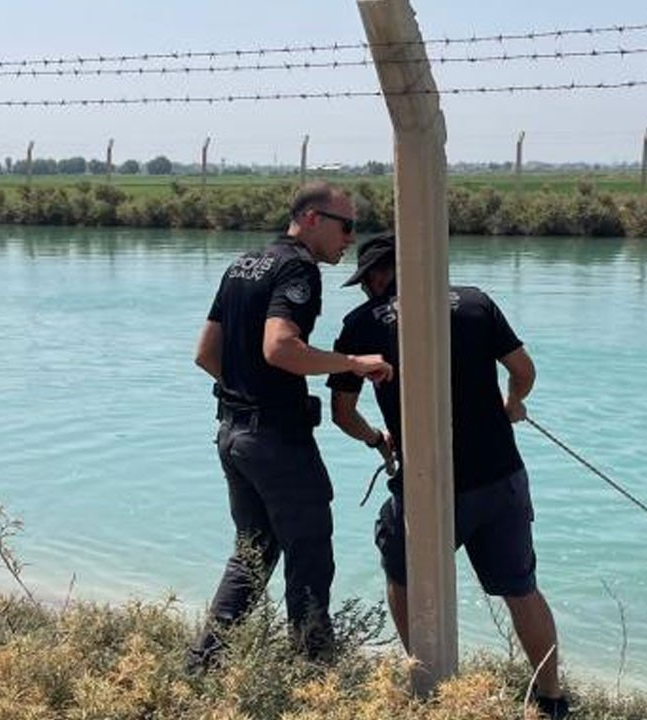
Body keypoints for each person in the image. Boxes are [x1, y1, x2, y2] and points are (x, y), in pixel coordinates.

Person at [327, 233, 570, 719]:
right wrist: (513, 403)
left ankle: (426, 682)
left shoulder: (360, 324)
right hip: (500, 474)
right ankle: (551, 698)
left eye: (365, 281)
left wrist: (378, 438)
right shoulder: (477, 303)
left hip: (427, 484)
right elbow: (523, 369)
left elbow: (341, 413)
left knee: (401, 572)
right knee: (521, 589)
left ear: (378, 275)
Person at [189, 182, 392, 668]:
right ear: (312, 219)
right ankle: (313, 671)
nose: (350, 239)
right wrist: (351, 363)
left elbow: (204, 354)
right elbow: (280, 348)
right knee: (310, 554)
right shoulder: (298, 267)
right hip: (276, 439)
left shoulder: (243, 263)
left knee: (252, 553)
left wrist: (248, 391)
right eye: (346, 227)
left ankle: (204, 663)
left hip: (233, 432)